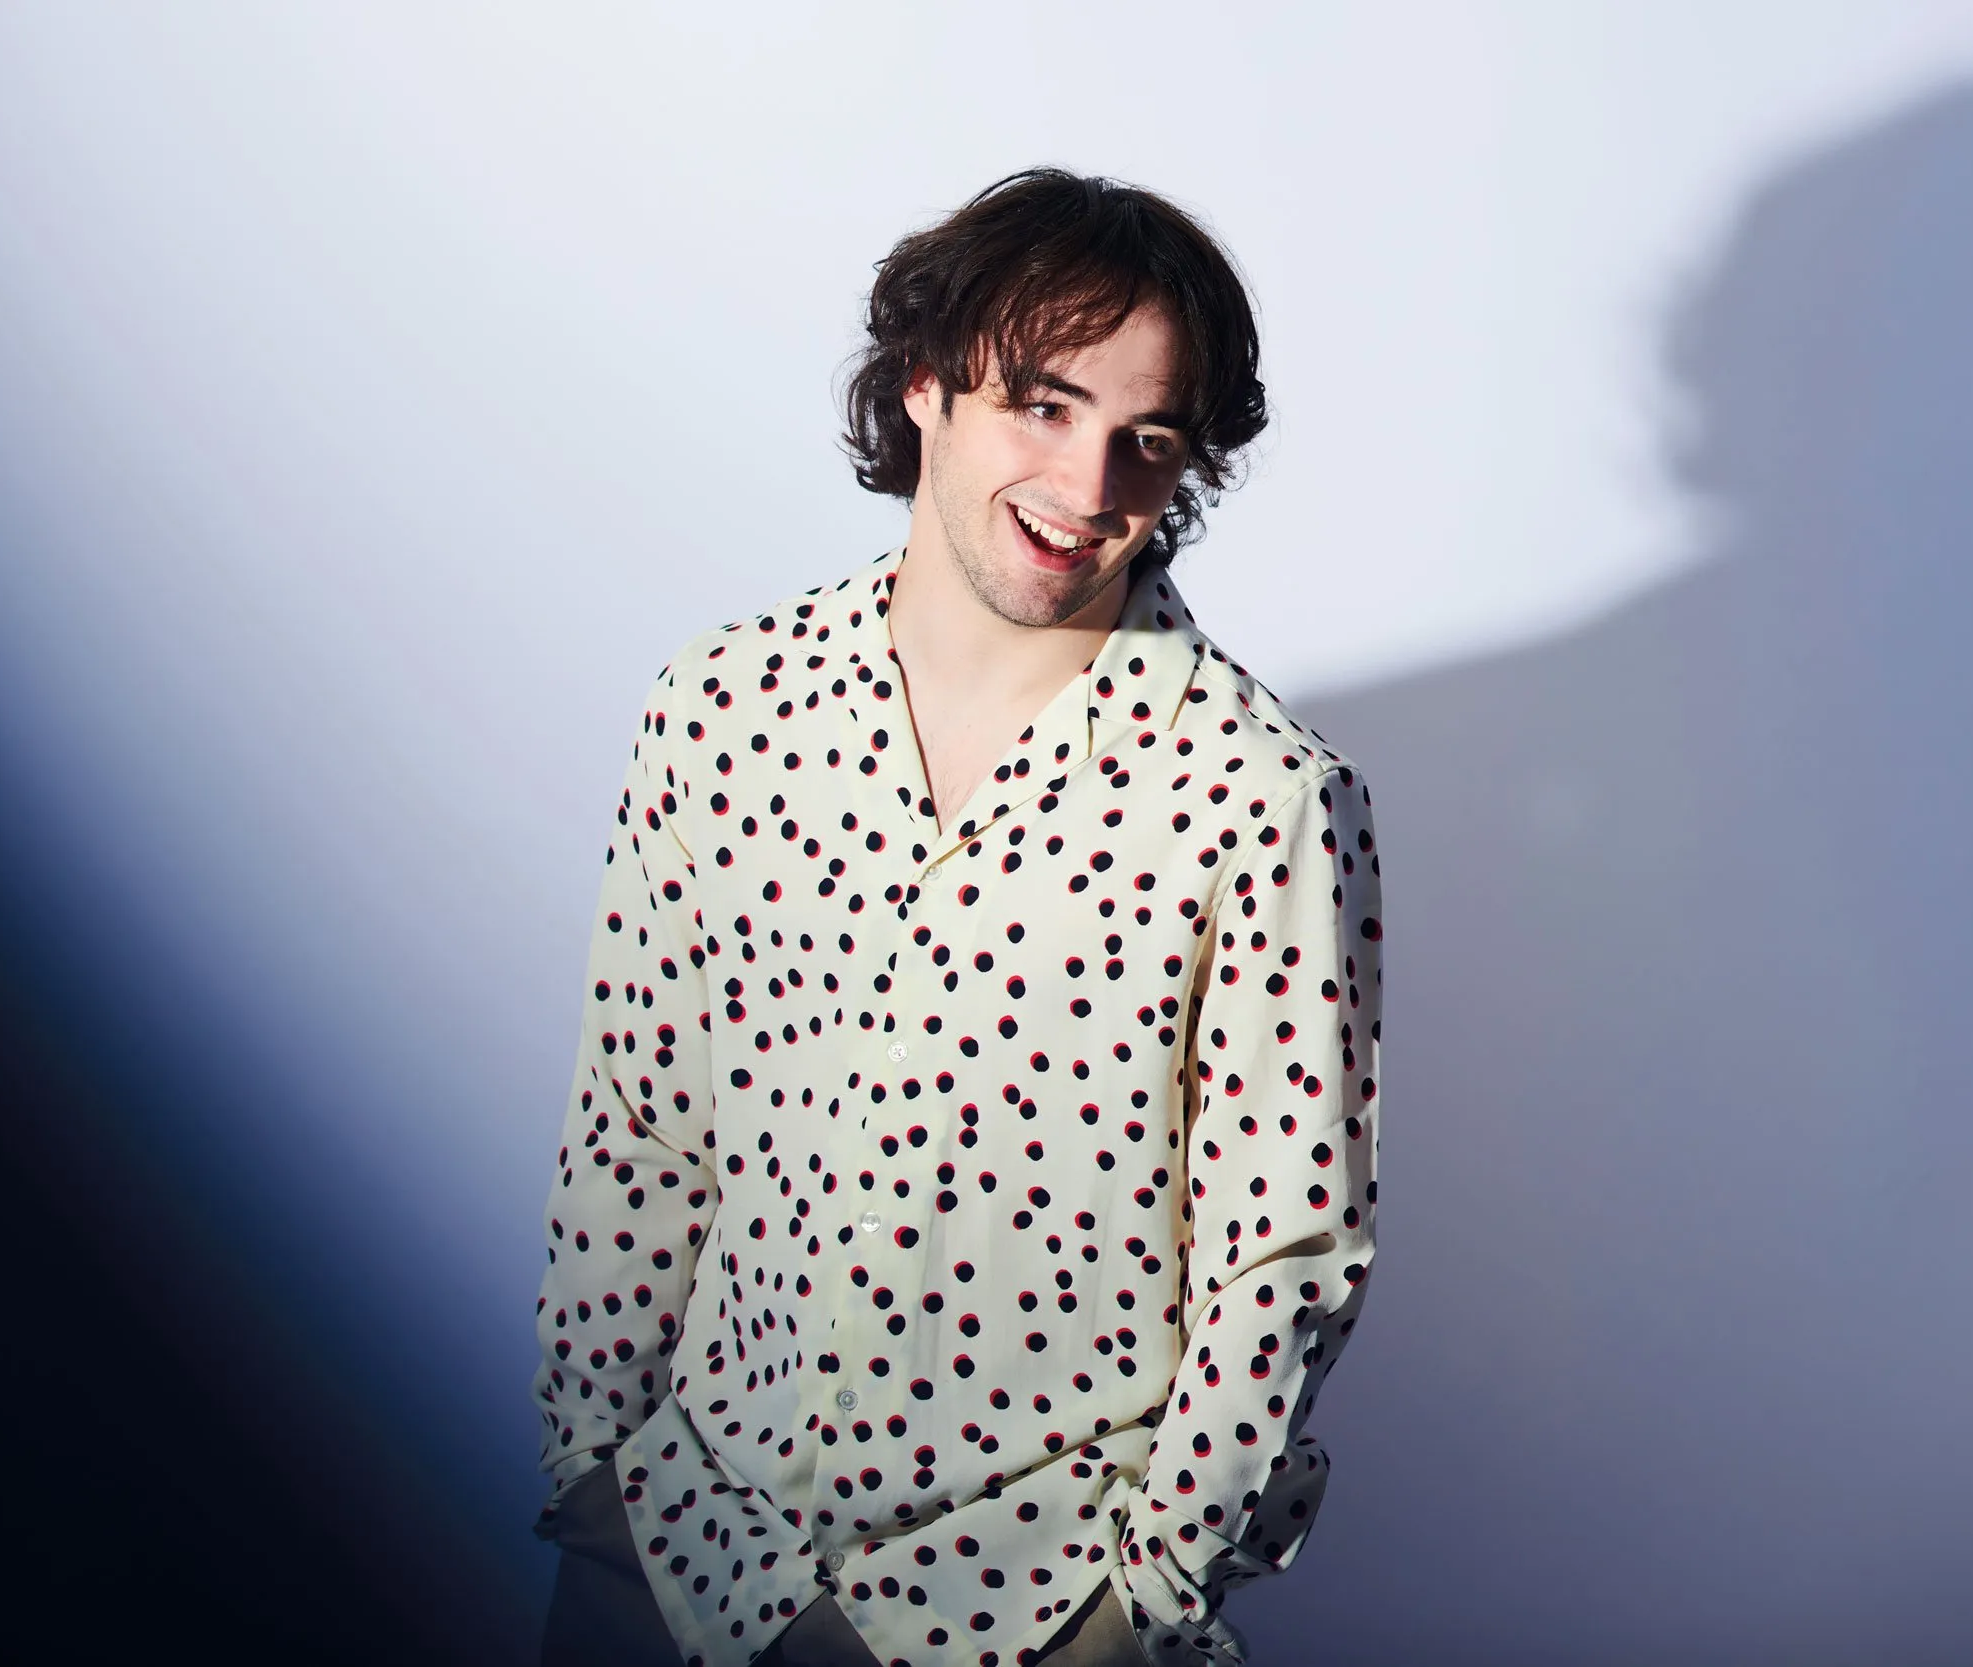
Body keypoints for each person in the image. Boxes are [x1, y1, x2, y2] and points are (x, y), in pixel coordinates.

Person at [531, 168, 1385, 1667]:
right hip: (677, 1560)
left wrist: (1134, 1610)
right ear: (925, 382)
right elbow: (640, 1125)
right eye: (1044, 406)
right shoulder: (722, 709)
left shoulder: (1261, 798)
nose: (1091, 484)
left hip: (1023, 1607)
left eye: (1148, 437)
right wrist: (592, 1469)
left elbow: (1285, 1255)